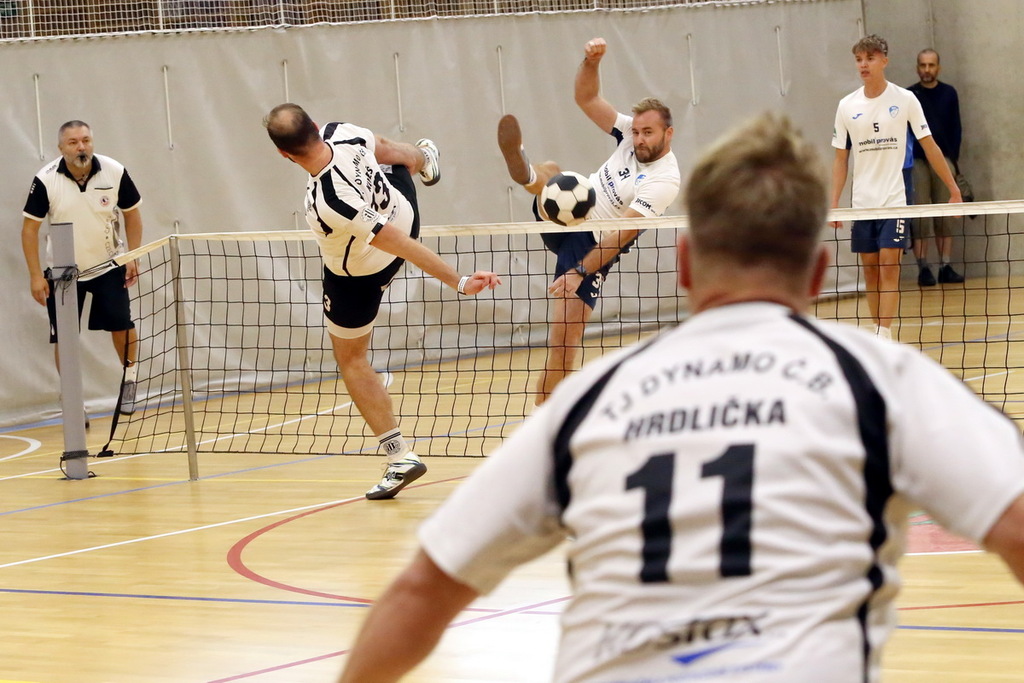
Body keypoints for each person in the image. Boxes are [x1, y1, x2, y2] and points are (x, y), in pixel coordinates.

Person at [337, 112, 1024, 683]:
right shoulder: (881, 379)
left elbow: (422, 589)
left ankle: (529, 174)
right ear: (817, 272)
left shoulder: (586, 401)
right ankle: (529, 173)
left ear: (685, 262)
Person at [263, 103, 500, 500]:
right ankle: (426, 157)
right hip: (406, 213)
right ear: (317, 126)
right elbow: (386, 148)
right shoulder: (343, 132)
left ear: (283, 154)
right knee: (396, 158)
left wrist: (459, 282)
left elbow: (398, 245)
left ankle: (399, 456)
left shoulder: (329, 201)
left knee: (352, 360)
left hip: (361, 275)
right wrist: (417, 158)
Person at [497, 36, 680, 405]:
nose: (639, 139)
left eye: (648, 133)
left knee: (563, 346)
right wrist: (591, 62)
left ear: (668, 133)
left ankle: (546, 422)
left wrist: (580, 271)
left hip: (590, 246)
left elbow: (622, 235)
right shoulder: (627, 136)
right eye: (637, 131)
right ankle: (527, 173)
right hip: (568, 213)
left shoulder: (664, 180)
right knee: (556, 173)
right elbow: (587, 98)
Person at [830, 35, 962, 340]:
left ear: (884, 61)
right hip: (863, 203)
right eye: (859, 59)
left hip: (895, 199)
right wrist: (834, 202)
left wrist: (953, 189)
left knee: (889, 264)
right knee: (871, 268)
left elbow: (930, 146)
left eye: (870, 58)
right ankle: (878, 330)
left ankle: (883, 332)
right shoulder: (847, 106)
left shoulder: (905, 99)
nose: (863, 65)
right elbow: (840, 159)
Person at [21, 120, 143, 426]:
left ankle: (130, 380)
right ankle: (73, 399)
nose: (81, 147)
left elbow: (132, 215)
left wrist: (132, 255)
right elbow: (29, 229)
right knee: (65, 338)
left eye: (86, 140)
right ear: (61, 148)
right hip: (63, 272)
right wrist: (36, 275)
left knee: (122, 325)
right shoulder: (46, 179)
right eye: (73, 142)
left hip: (108, 265)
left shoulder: (114, 170)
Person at [908, 48, 966, 286]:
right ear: (917, 68)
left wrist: (951, 160)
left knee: (945, 215)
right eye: (923, 65)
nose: (927, 70)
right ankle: (923, 268)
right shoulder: (910, 95)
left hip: (943, 160)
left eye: (931, 65)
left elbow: (956, 129)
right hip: (918, 161)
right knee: (920, 216)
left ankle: (945, 266)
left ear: (938, 68)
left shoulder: (949, 93)